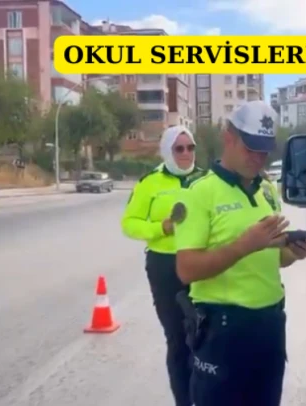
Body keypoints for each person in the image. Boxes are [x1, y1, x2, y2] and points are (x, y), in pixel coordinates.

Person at [173, 101, 306, 406]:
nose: (258, 158)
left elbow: (271, 259)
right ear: (229, 137)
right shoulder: (199, 193)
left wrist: (293, 253)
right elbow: (186, 269)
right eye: (251, 148)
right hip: (223, 331)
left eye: (264, 150)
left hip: (269, 325)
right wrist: (243, 245)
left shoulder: (267, 191)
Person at [120, 125, 206, 406]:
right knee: (178, 339)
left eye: (190, 147)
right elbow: (129, 223)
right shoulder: (150, 183)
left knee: (207, 338)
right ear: (167, 151)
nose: (186, 153)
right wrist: (162, 227)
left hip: (203, 263)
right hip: (165, 267)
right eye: (179, 148)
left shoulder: (206, 179)